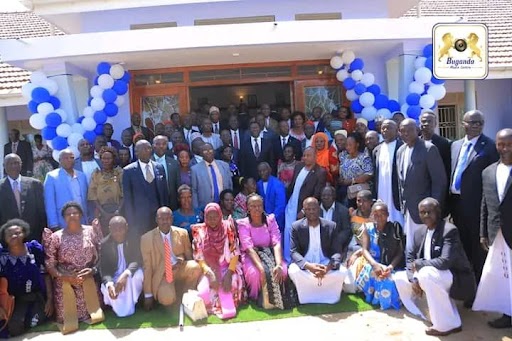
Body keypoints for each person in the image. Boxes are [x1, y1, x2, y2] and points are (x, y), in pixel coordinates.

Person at [394, 198, 475, 337]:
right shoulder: (419, 232)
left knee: (426, 274)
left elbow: (445, 262)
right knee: (399, 278)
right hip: (430, 276)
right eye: (422, 212)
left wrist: (419, 266)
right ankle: (427, 313)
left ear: (438, 212)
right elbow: (409, 258)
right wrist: (413, 279)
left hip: (455, 277)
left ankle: (448, 324)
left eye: (429, 212)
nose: (425, 216)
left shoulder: (449, 231)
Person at [450, 110, 499, 282]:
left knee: (477, 249)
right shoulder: (455, 145)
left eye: (480, 122)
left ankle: (479, 287)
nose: (477, 125)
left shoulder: (490, 146)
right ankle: (467, 285)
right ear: (463, 123)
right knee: (462, 246)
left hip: (477, 206)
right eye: (472, 122)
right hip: (456, 205)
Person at [43, 202, 104, 334]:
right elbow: (49, 264)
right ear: (63, 217)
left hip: (88, 279)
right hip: (66, 282)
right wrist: (63, 276)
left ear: (81, 215)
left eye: (75, 213)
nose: (72, 216)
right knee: (66, 319)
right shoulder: (56, 237)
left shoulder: (91, 231)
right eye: (68, 214)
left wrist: (92, 271)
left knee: (95, 315)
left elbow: (103, 256)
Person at [473, 128, 512, 328]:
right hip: (496, 233)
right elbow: (484, 205)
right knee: (503, 276)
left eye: (508, 144)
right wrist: (482, 233)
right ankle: (507, 314)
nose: (504, 148)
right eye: (500, 144)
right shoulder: (488, 172)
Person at [397, 119, 447, 250]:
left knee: (426, 247)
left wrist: (434, 209)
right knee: (410, 245)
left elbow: (439, 181)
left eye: (409, 130)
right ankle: (411, 268)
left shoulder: (429, 149)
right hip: (408, 209)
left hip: (426, 211)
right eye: (402, 131)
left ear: (417, 130)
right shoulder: (400, 151)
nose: (405, 133)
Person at [140, 207, 202, 311]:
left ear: (172, 219)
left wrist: (182, 261)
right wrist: (148, 295)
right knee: (167, 299)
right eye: (161, 218)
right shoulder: (146, 239)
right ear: (156, 220)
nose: (165, 221)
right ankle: (169, 293)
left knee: (195, 267)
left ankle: (186, 295)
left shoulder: (182, 233)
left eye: (168, 218)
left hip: (179, 269)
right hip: (163, 275)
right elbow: (148, 268)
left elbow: (189, 257)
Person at [288, 197, 348, 304]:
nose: (311, 212)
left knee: (342, 271)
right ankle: (305, 298)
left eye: (314, 209)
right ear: (304, 211)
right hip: (306, 264)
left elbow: (336, 251)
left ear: (318, 209)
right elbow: (294, 252)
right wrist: (309, 266)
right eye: (308, 209)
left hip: (325, 263)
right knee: (294, 271)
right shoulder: (296, 227)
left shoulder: (331, 226)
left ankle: (329, 298)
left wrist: (327, 268)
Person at [192, 203, 246, 319]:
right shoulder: (200, 231)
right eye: (209, 218)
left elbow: (234, 252)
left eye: (215, 217)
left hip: (228, 268)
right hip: (208, 269)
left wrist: (229, 274)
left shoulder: (228, 228)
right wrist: (210, 273)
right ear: (205, 218)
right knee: (203, 293)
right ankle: (214, 304)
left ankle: (225, 304)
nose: (212, 220)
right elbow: (198, 256)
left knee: (230, 285)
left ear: (220, 216)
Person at [0, 219, 53, 337]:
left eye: (18, 233)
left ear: (24, 233)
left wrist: (50, 299)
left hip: (37, 297)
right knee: (14, 328)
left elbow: (46, 274)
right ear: (4, 238)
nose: (14, 236)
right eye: (9, 234)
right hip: (15, 301)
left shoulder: (34, 249)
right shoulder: (2, 257)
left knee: (35, 321)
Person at [237, 194, 291, 309]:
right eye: (253, 206)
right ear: (248, 208)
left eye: (259, 206)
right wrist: (261, 268)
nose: (257, 209)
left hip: (269, 252)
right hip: (251, 255)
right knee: (255, 273)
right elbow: (249, 248)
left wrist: (278, 264)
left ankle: (281, 297)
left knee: (284, 270)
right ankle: (258, 298)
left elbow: (276, 243)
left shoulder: (270, 220)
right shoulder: (243, 224)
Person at [354, 202, 405, 310]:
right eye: (375, 214)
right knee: (375, 273)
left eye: (382, 213)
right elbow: (365, 250)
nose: (379, 217)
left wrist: (391, 266)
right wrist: (375, 264)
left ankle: (386, 300)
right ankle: (375, 298)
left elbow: (400, 252)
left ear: (388, 214)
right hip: (373, 263)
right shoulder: (367, 228)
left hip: (391, 265)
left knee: (388, 279)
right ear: (372, 215)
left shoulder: (395, 228)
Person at [284, 147, 327, 263]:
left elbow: (317, 194)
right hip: (291, 204)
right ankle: (288, 260)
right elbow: (293, 185)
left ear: (315, 157)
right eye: (304, 155)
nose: (305, 158)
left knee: (300, 233)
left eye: (308, 155)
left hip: (304, 209)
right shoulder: (298, 167)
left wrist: (304, 211)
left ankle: (300, 260)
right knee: (288, 230)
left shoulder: (320, 172)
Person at [122, 140, 169, 242]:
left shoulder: (159, 167)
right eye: (143, 149)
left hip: (159, 216)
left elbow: (164, 193)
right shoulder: (128, 171)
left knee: (160, 242)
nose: (147, 151)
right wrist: (131, 221)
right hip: (140, 218)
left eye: (149, 148)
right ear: (136, 152)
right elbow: (128, 199)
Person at [99, 216, 143, 318]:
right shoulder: (104, 243)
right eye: (114, 230)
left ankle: (134, 302)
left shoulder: (134, 239)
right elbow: (104, 269)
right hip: (114, 276)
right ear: (110, 229)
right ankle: (117, 305)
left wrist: (125, 275)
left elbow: (137, 260)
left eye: (121, 229)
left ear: (126, 227)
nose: (118, 233)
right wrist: (109, 284)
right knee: (107, 288)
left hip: (129, 274)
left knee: (139, 275)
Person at [0, 154, 46, 242]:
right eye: (10, 163)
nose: (13, 166)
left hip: (33, 236)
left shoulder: (35, 184)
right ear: (4, 166)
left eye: (16, 163)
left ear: (21, 164)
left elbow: (41, 212)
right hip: (8, 238)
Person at [44, 149, 89, 230]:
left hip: (82, 221)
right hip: (63, 222)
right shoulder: (52, 177)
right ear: (60, 161)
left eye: (71, 158)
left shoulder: (82, 176)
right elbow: (49, 203)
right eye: (66, 158)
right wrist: (53, 224)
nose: (69, 160)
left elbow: (86, 200)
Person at [419, 111, 451, 217]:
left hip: (438, 194)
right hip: (421, 192)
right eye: (424, 121)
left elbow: (447, 170)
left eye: (429, 121)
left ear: (435, 124)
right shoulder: (416, 143)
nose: (426, 124)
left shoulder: (444, 143)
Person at [372, 120, 403, 225]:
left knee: (398, 221)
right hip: (381, 191)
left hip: (396, 193)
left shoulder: (402, 147)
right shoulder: (377, 149)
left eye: (388, 128)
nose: (385, 130)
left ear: (396, 130)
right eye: (383, 128)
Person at [88, 147, 123, 235]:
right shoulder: (96, 174)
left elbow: (124, 194)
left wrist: (118, 210)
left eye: (109, 158)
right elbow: (93, 195)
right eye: (103, 158)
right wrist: (104, 213)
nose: (106, 161)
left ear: (113, 159)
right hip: (101, 212)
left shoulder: (119, 173)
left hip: (118, 210)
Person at [191, 143, 233, 210]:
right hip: (205, 206)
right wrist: (196, 209)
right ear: (201, 154)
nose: (208, 152)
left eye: (210, 150)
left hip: (224, 206)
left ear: (214, 151)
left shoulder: (224, 165)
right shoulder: (195, 169)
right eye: (205, 151)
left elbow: (230, 185)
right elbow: (194, 191)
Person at [338, 132, 374, 208]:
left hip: (358, 192)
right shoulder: (343, 156)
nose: (348, 147)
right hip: (344, 191)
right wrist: (341, 180)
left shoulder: (364, 158)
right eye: (346, 145)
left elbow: (369, 174)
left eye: (350, 145)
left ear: (357, 144)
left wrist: (352, 180)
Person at [319, 186, 352, 259]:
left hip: (336, 246)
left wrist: (337, 241)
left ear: (334, 196)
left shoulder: (343, 211)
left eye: (329, 195)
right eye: (323, 195)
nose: (326, 197)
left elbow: (346, 230)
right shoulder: (314, 209)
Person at [152, 135, 180, 211]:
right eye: (158, 144)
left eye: (164, 144)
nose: (161, 146)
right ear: (153, 146)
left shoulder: (174, 163)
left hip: (171, 203)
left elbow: (177, 184)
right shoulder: (148, 162)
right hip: (153, 203)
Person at [257, 162, 286, 231]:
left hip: (276, 222)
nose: (262, 173)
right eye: (260, 171)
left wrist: (270, 219)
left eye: (264, 170)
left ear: (269, 170)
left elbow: (281, 206)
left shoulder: (278, 184)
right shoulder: (258, 184)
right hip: (262, 223)